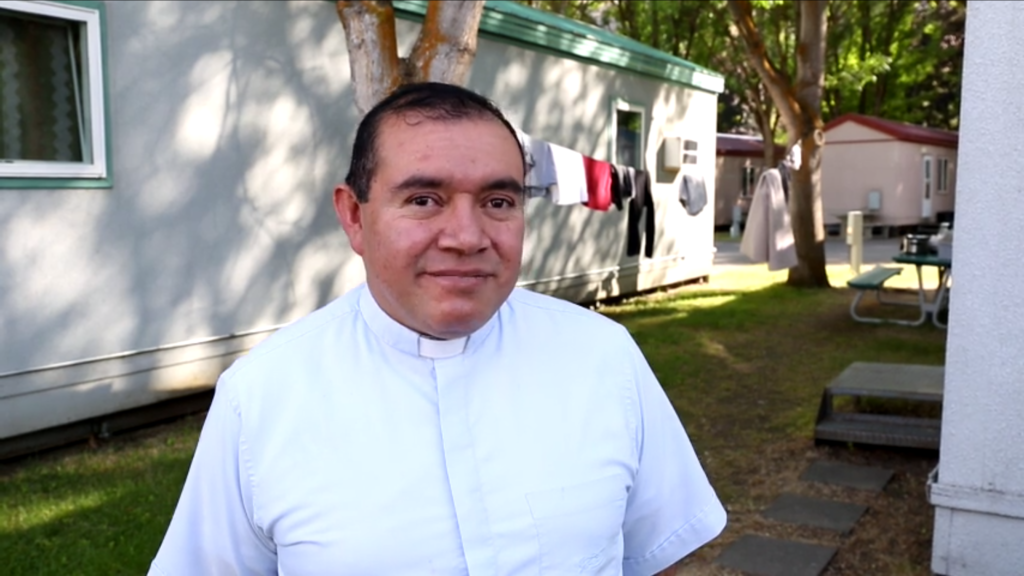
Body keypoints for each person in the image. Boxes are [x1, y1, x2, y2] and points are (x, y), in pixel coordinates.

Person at [149, 82, 726, 576]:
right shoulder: (261, 396)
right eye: (424, 199)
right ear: (354, 215)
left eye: (499, 201)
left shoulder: (603, 357)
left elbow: (659, 551)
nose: (466, 236)